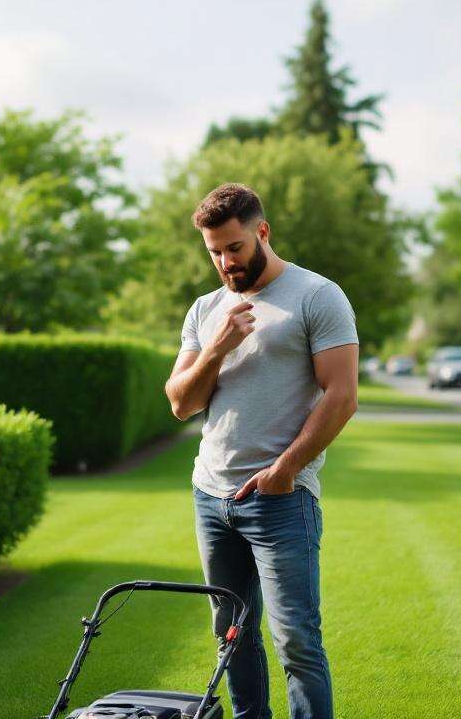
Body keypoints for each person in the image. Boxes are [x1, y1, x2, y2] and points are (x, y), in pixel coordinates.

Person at [164, 183, 359, 719]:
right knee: (232, 636)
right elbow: (181, 402)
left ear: (262, 232)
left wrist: (285, 470)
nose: (226, 262)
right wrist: (218, 348)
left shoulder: (317, 295)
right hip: (211, 495)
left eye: (235, 247)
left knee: (296, 640)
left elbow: (342, 396)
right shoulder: (206, 310)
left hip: (279, 499)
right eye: (215, 252)